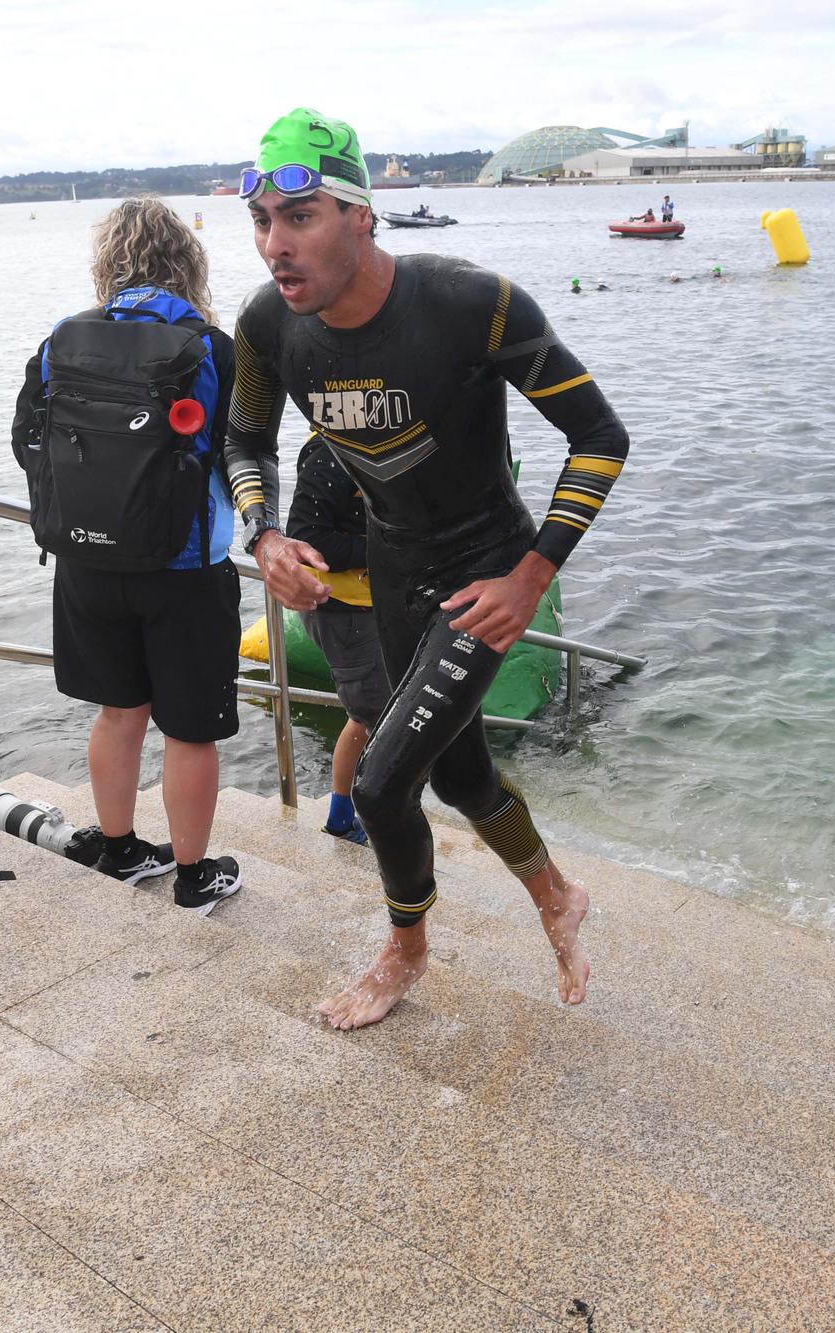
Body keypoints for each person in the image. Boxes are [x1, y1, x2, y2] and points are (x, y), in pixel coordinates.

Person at [227, 107, 630, 1029]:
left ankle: (404, 952)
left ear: (362, 215)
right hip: (399, 568)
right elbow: (244, 440)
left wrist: (531, 576)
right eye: (262, 223)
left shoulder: (471, 304)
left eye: (301, 217)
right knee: (457, 776)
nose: (275, 247)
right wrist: (264, 538)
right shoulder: (267, 327)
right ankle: (557, 894)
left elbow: (600, 437)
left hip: (484, 572)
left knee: (379, 783)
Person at [10, 196, 245, 912]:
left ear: (107, 263)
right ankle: (194, 875)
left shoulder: (63, 341)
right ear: (188, 263)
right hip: (185, 572)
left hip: (85, 565)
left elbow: (26, 441)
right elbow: (241, 452)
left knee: (118, 711)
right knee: (189, 731)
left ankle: (118, 850)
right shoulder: (209, 347)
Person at [287, 439, 389, 844]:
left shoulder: (394, 439)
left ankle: (342, 815)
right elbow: (306, 536)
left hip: (379, 604)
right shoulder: (331, 450)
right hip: (343, 610)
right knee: (382, 721)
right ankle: (383, 823)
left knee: (365, 717)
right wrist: (394, 549)